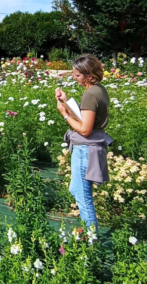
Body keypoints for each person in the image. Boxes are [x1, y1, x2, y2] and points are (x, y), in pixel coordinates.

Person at [55, 54, 112, 229]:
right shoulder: (99, 90)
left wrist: (64, 114)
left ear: (90, 75)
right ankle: (89, 231)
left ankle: (91, 237)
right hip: (92, 144)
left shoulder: (90, 95)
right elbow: (85, 119)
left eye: (78, 75)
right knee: (76, 189)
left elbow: (85, 129)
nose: (74, 77)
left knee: (82, 194)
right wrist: (65, 102)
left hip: (85, 148)